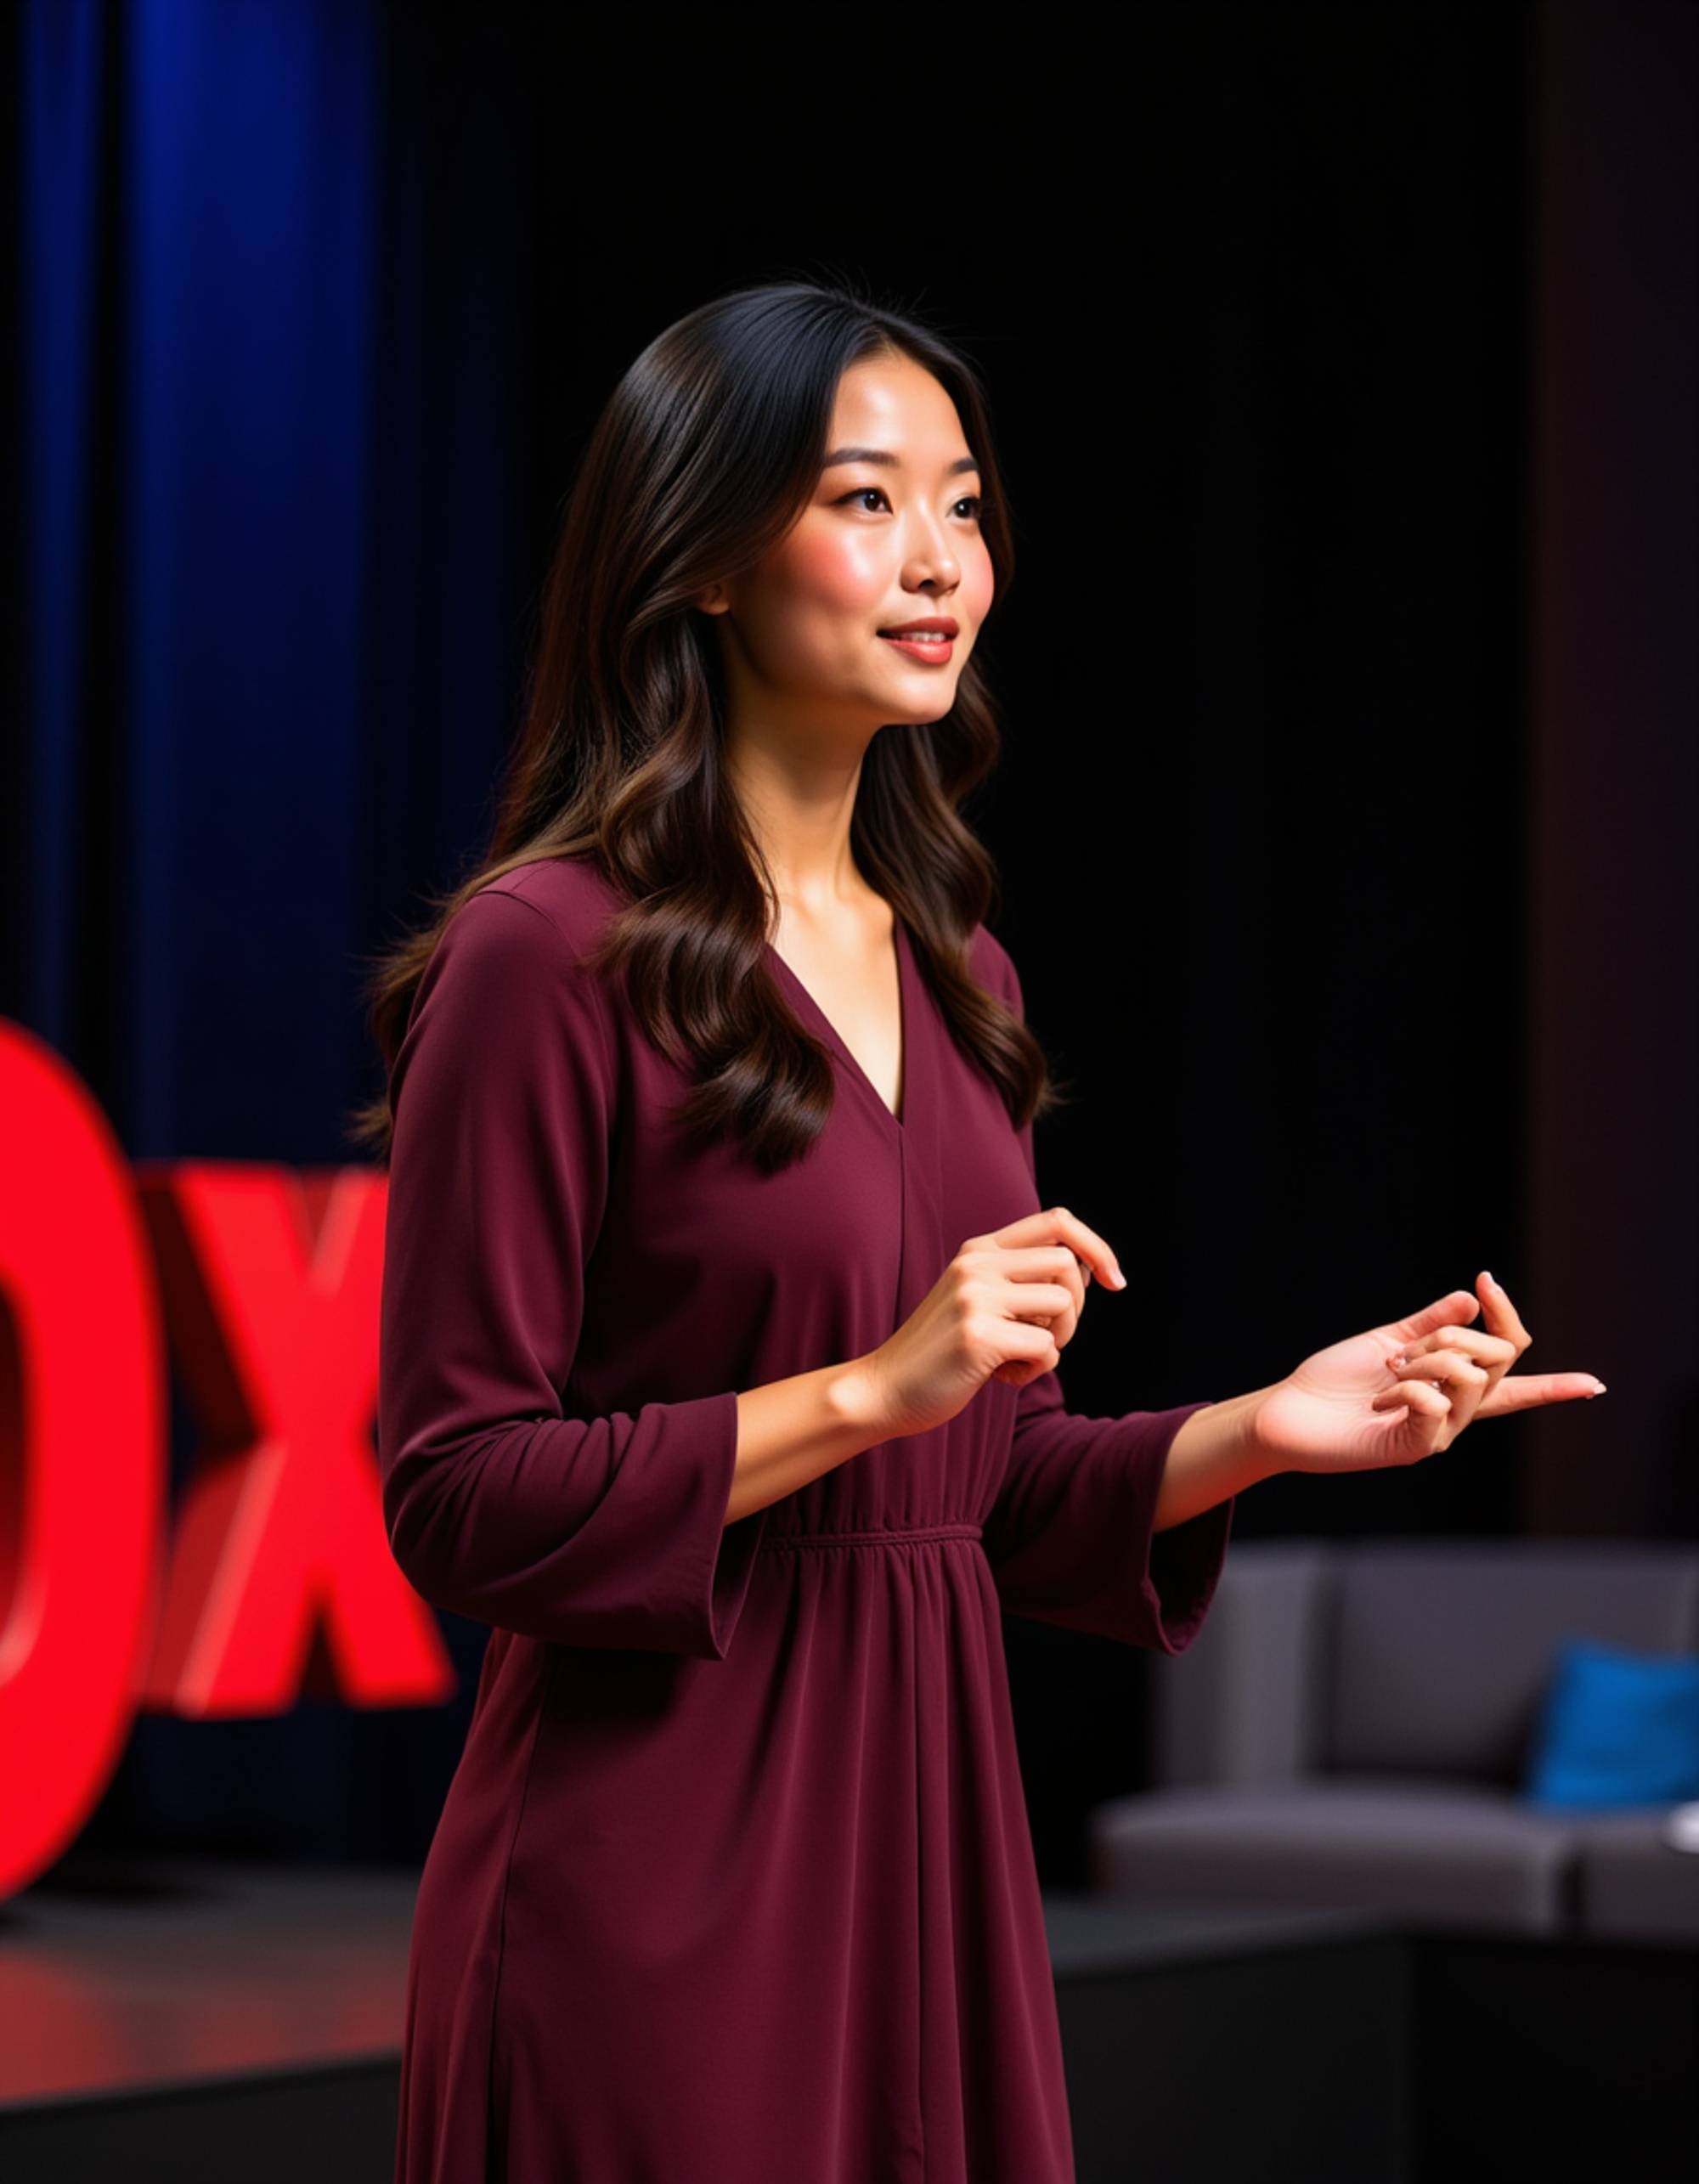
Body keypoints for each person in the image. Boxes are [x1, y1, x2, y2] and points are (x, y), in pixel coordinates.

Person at [354, 276, 1606, 2184]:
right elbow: (454, 1489)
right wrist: (863, 1387)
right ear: (698, 552)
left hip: (923, 1858)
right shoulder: (545, 957)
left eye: (959, 503)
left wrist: (1260, 1426)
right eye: (864, 499)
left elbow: (986, 1483)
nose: (937, 558)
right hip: (651, 1881)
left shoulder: (964, 980)